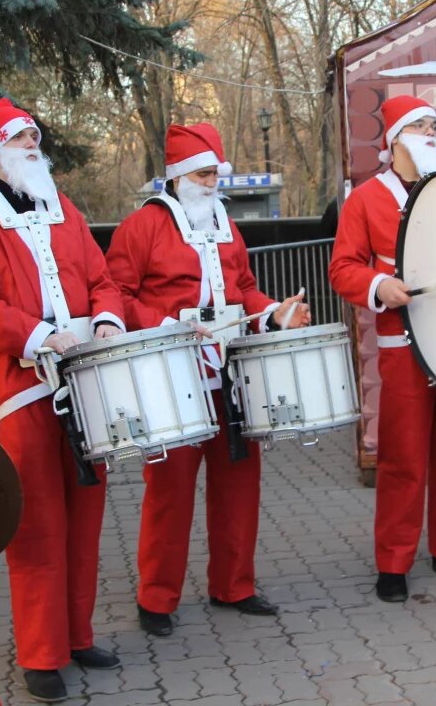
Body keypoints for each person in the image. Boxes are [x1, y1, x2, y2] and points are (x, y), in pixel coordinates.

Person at [0, 98, 125, 703]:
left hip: (86, 378)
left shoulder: (60, 203)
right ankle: (40, 653)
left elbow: (101, 278)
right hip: (25, 388)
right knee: (39, 524)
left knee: (86, 515)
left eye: (33, 138)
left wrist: (107, 321)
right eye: (18, 140)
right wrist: (39, 334)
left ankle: (76, 634)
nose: (31, 147)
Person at [105, 122, 310, 637]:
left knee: (239, 479)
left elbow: (244, 288)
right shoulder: (142, 226)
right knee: (170, 488)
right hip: (172, 373)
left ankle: (234, 585)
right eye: (202, 173)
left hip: (231, 372)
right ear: (177, 176)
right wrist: (164, 322)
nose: (211, 182)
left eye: (215, 173)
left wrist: (274, 315)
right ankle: (156, 597)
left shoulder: (226, 222)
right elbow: (115, 294)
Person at [328, 94, 436, 603]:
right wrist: (379, 286)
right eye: (422, 125)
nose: (433, 133)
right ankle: (393, 561)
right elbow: (343, 267)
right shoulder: (366, 199)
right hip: (403, 343)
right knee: (403, 457)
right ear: (396, 139)